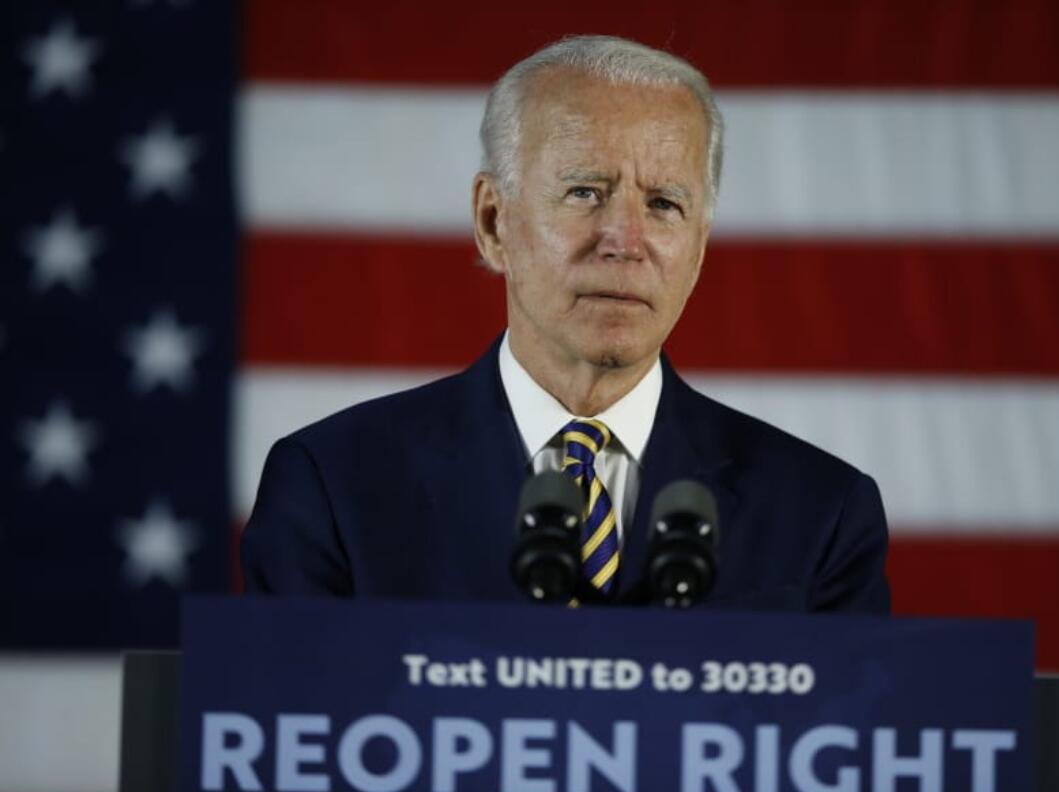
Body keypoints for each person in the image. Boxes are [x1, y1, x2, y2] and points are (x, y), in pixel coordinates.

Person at [242, 35, 890, 613]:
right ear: (494, 221)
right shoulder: (333, 488)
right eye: (585, 192)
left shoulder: (820, 515)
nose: (626, 241)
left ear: (698, 247)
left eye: (664, 204)